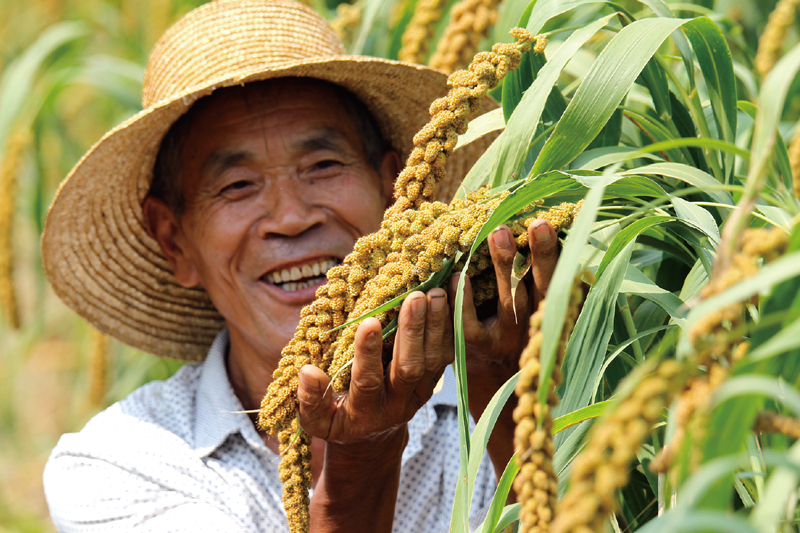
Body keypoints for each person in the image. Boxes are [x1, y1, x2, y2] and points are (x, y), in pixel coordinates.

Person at [41, 0, 559, 531]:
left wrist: (513, 399)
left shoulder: (505, 380)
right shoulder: (122, 463)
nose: (290, 218)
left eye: (323, 165)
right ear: (174, 243)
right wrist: (361, 462)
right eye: (237, 186)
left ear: (396, 189)